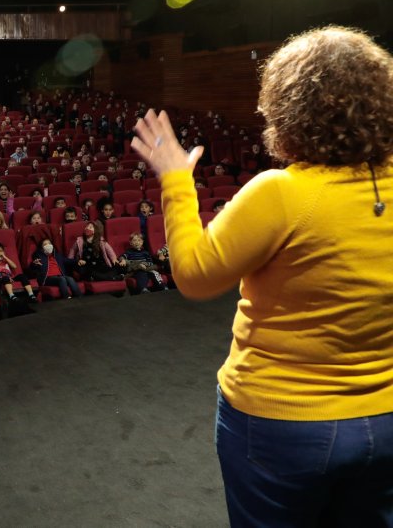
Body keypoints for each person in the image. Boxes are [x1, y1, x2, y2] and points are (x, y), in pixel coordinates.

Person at [131, 26, 393, 527]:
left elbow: (194, 275)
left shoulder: (282, 192)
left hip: (283, 425)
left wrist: (175, 180)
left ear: (289, 109)